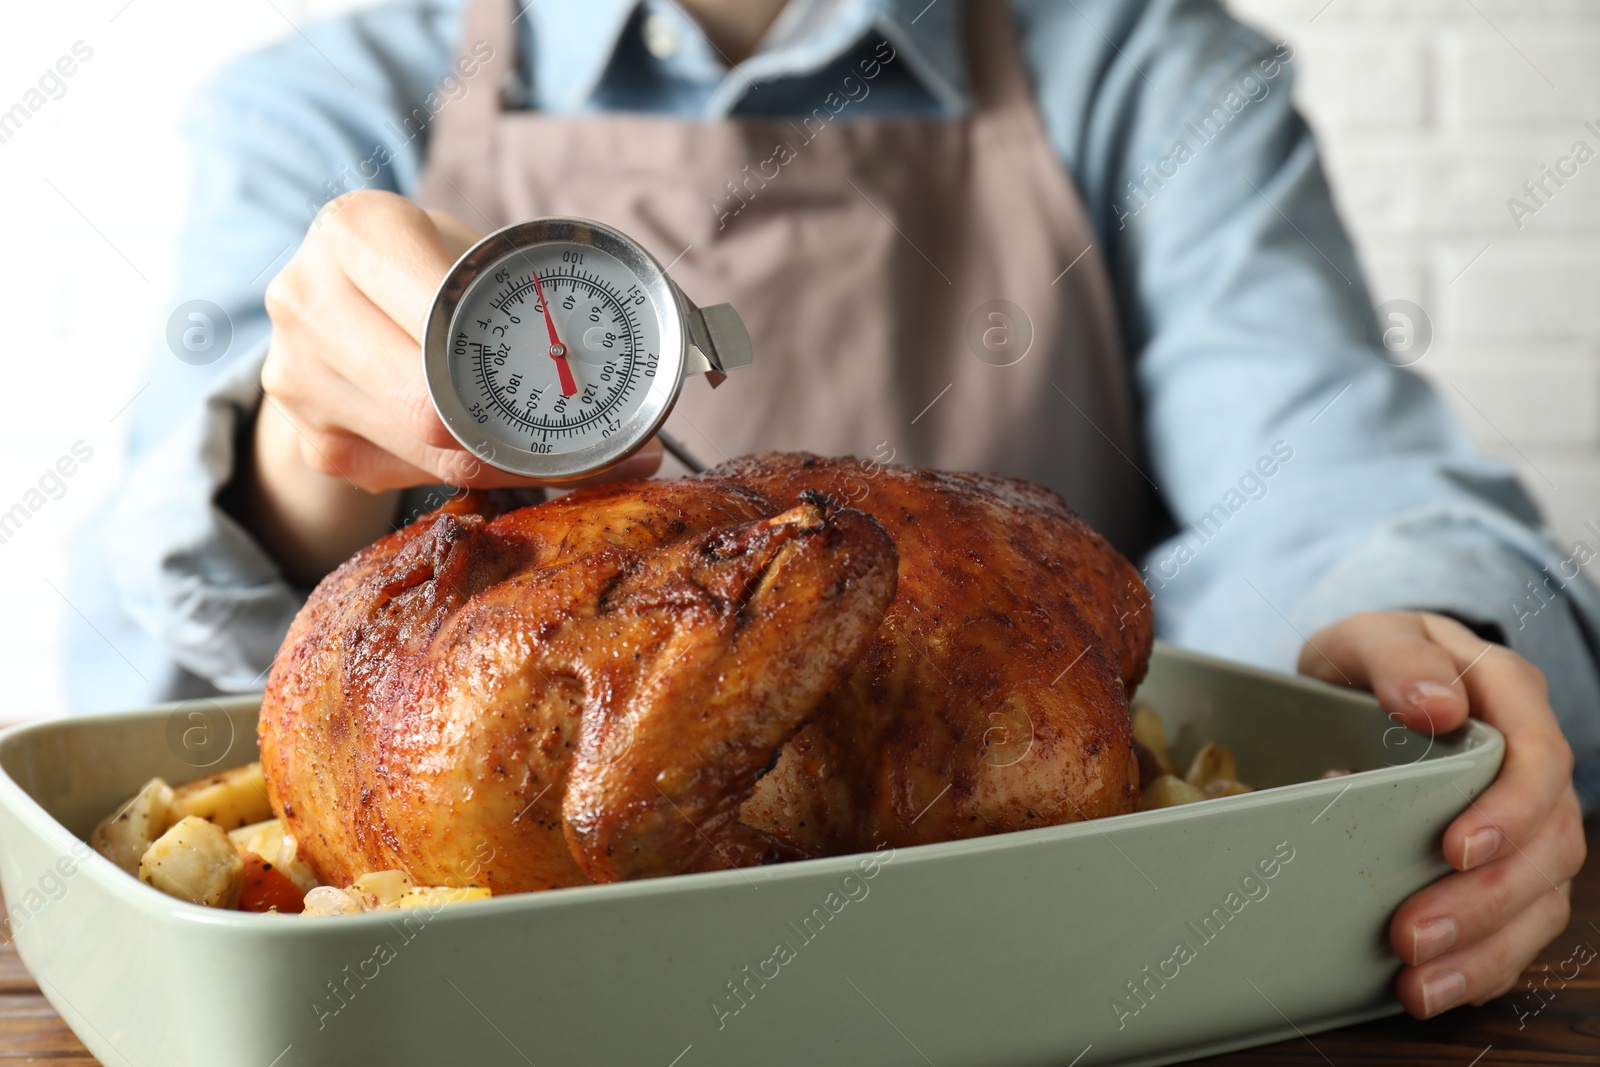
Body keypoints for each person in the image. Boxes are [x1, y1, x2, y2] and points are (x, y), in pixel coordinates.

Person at [66, 0, 1593, 1022]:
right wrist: (294, 442)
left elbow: (1328, 465)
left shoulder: (1138, 62)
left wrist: (1423, 667)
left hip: (1038, 987)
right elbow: (124, 682)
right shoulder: (333, 95)